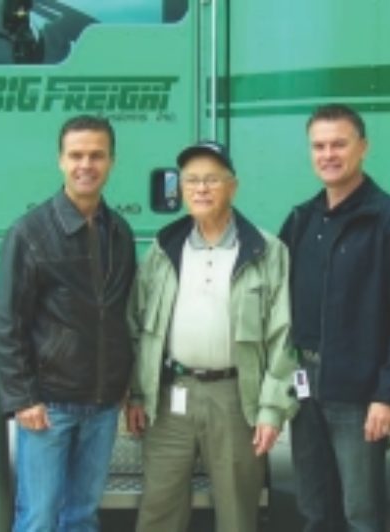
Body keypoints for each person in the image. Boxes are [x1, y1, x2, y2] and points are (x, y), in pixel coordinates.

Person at [126, 141, 298, 532]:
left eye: (211, 180)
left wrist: (271, 409)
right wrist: (137, 393)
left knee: (238, 514)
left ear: (232, 187)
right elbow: (136, 325)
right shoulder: (163, 248)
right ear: (181, 189)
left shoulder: (267, 251)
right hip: (170, 398)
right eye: (191, 181)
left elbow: (283, 336)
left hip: (236, 399)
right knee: (158, 511)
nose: (201, 189)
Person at [280, 104, 390, 532]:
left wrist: (389, 396)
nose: (328, 154)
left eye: (339, 144)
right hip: (305, 384)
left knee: (360, 514)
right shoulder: (302, 220)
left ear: (363, 147)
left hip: (359, 392)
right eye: (319, 146)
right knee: (314, 507)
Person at [0, 115, 136, 532]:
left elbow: (124, 314)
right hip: (49, 406)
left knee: (82, 515)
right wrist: (23, 397)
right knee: (38, 517)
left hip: (102, 405)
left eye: (96, 155)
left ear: (111, 161)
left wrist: (125, 386)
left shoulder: (119, 232)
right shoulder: (30, 233)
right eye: (76, 155)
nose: (85, 165)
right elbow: (8, 323)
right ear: (60, 161)